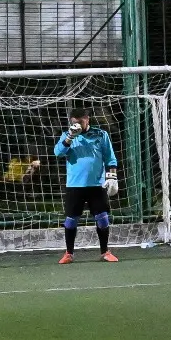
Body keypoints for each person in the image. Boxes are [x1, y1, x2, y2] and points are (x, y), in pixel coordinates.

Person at [53, 110, 120, 263]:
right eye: (74, 122)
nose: (77, 125)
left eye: (80, 121)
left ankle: (105, 252)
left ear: (87, 119)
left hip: (97, 185)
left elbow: (110, 158)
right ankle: (69, 253)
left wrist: (112, 177)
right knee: (70, 221)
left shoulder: (101, 134)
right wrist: (70, 137)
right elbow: (58, 153)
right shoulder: (67, 135)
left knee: (102, 219)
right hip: (74, 185)